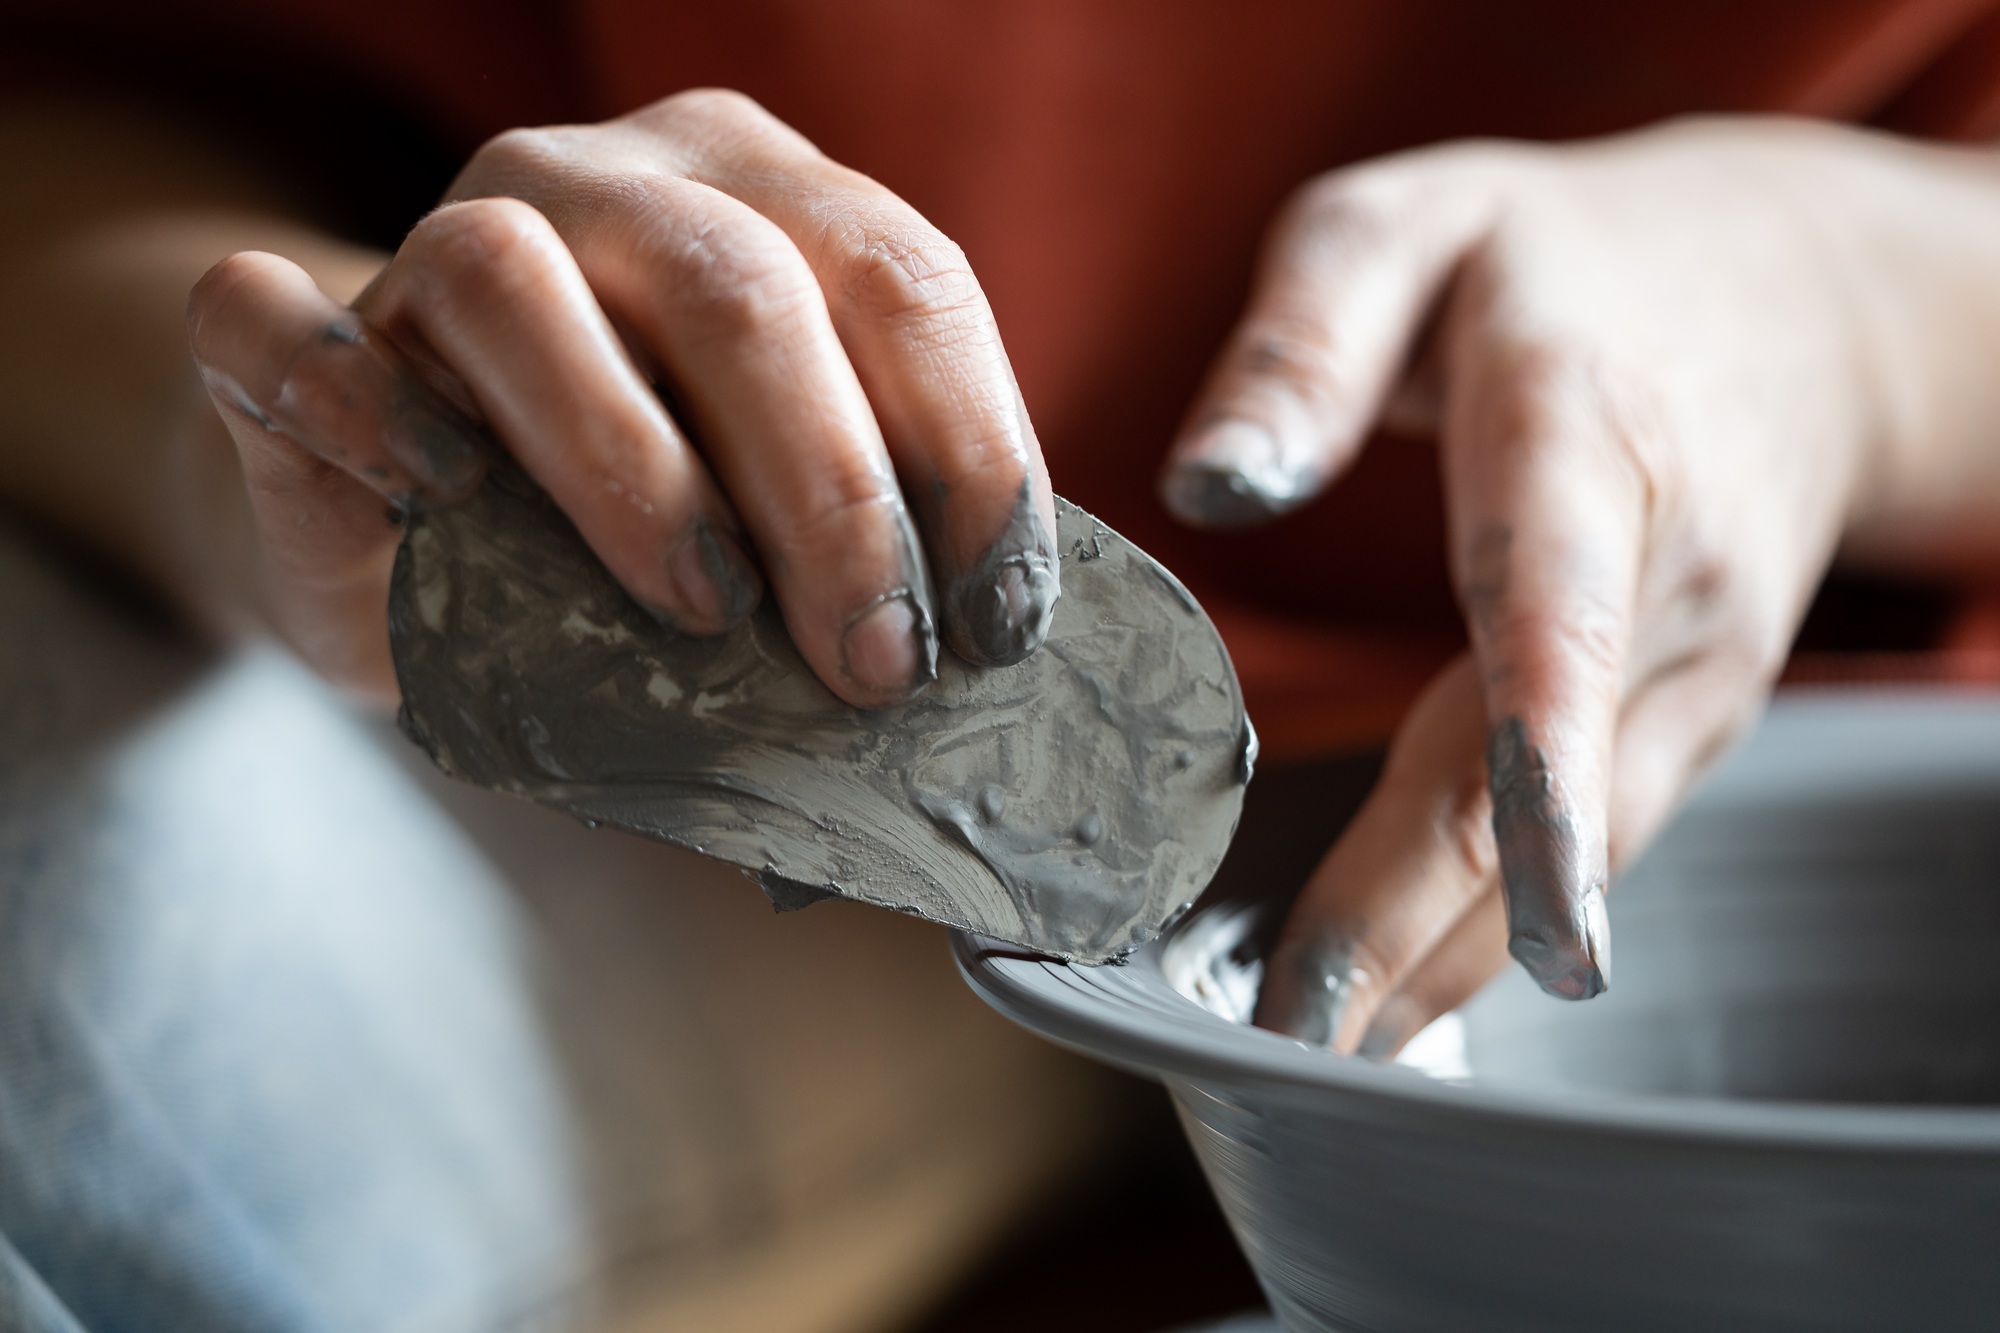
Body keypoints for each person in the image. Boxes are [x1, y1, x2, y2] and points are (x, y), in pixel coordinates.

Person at [4, 1, 2000, 1327]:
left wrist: (1839, 299)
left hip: (1768, 767)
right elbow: (92, 124)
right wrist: (318, 441)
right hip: (747, 775)